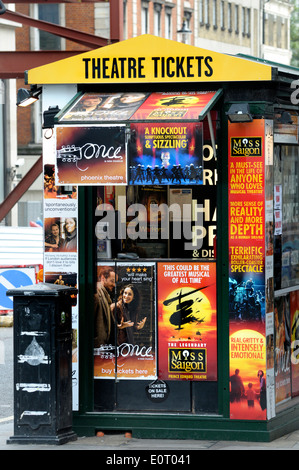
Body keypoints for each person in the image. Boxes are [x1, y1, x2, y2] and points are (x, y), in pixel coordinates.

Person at [94, 267, 116, 348]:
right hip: (97, 346)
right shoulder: (96, 293)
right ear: (103, 278)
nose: (114, 285)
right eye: (112, 281)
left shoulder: (104, 294)